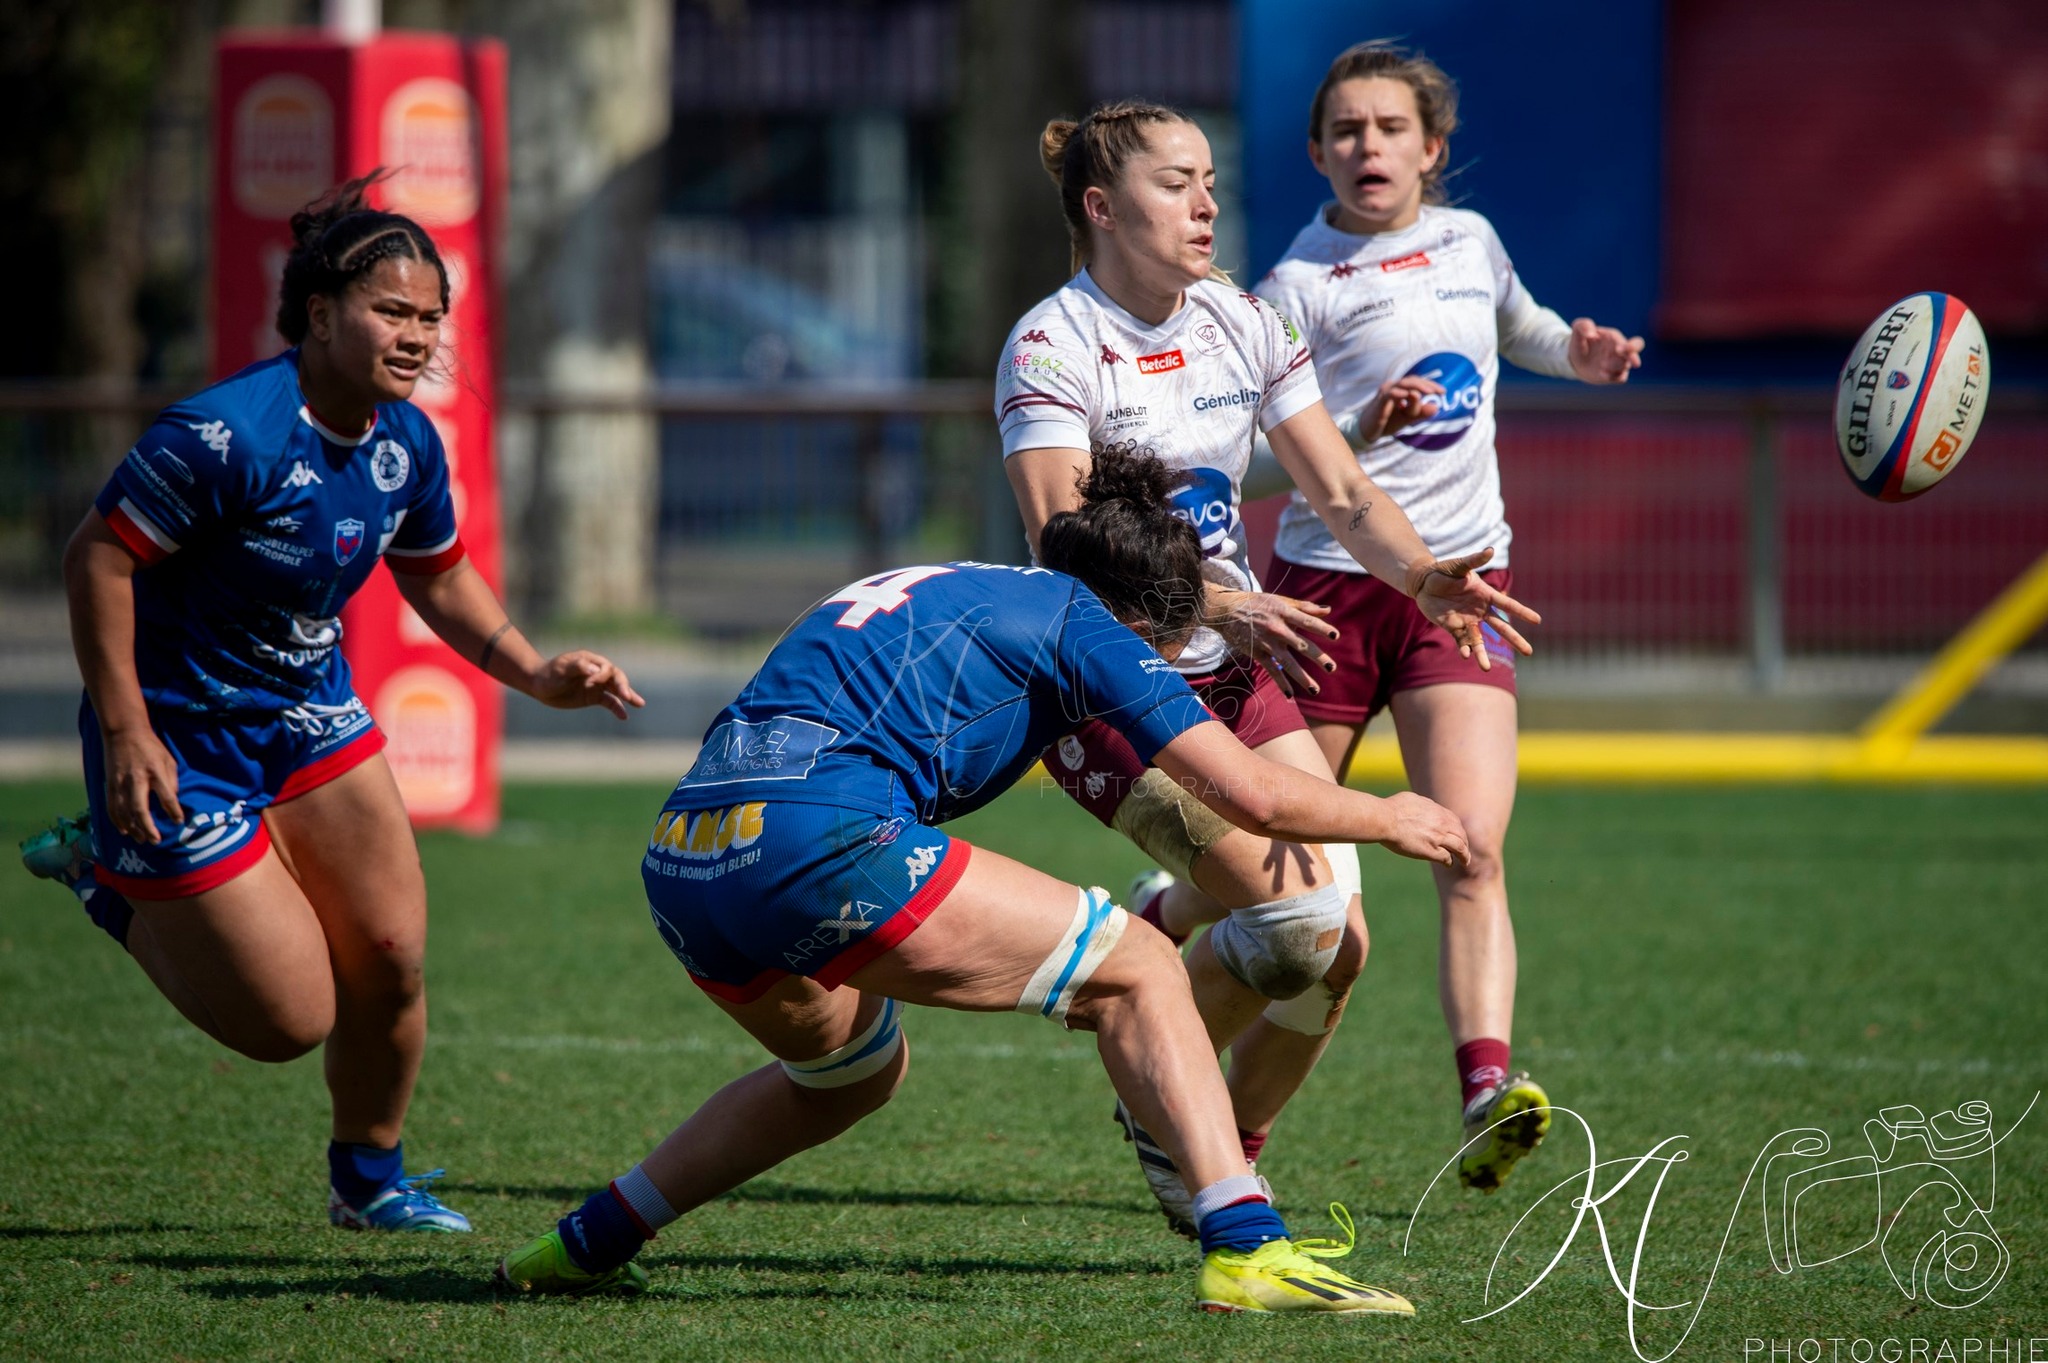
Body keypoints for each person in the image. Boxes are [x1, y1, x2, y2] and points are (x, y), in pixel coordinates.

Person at [496, 448, 1466, 1314]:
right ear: (1147, 628)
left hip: (684, 854)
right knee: (1136, 964)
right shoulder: (1090, 625)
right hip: (815, 837)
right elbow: (1251, 793)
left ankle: (587, 1241)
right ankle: (1247, 1247)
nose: (1154, 675)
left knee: (847, 1074)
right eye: (1166, 657)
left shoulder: (945, 580)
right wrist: (1391, 815)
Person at [18, 172, 644, 1232]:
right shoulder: (223, 438)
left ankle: (368, 1181)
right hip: (178, 739)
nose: (416, 336)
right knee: (286, 1020)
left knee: (391, 959)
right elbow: (97, 561)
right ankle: (105, 874)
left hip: (309, 717)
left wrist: (536, 672)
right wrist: (125, 727)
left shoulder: (405, 442)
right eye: (390, 311)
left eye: (430, 318)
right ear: (319, 314)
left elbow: (437, 574)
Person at [995, 100, 1538, 1233]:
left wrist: (1424, 575)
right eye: (1172, 183)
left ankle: (1208, 1135)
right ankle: (1170, 1101)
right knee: (1295, 932)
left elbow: (1339, 492)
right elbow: (1063, 543)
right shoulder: (1051, 343)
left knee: (1337, 945)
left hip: (1228, 669)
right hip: (1099, 682)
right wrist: (1229, 599)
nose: (1204, 203)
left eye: (1208, 179)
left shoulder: (1240, 319)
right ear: (1100, 208)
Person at [1246, 41, 1645, 1192]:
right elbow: (1249, 471)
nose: (1366, 146)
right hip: (1323, 596)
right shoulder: (1291, 291)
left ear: (1431, 148)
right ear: (1318, 151)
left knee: (1471, 848)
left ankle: (1483, 1088)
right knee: (1282, 886)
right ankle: (1170, 913)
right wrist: (1360, 426)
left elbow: (1517, 326)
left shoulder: (1468, 243)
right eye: (1343, 130)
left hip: (1457, 592)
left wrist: (1575, 352)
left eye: (1387, 128)